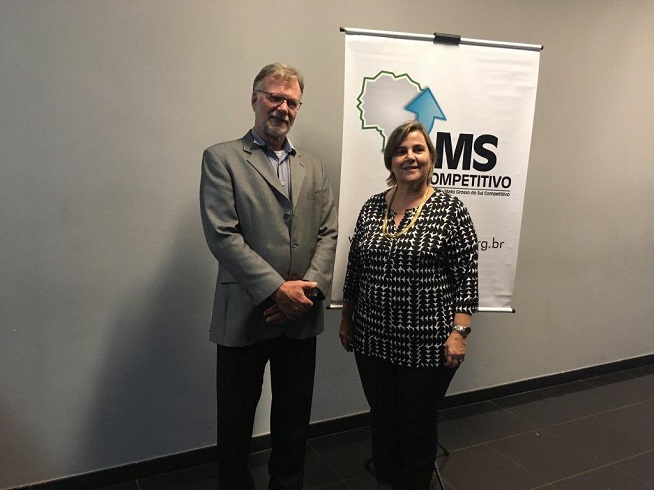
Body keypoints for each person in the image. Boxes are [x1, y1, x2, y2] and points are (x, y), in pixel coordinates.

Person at [200, 63, 338, 490]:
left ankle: (287, 484)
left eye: (291, 101)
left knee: (295, 417)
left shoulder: (314, 166)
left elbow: (328, 233)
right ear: (255, 98)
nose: (283, 107)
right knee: (236, 419)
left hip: (301, 315)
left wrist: (306, 293)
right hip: (246, 311)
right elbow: (223, 235)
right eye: (274, 97)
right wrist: (278, 291)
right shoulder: (222, 158)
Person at [338, 121, 478, 489]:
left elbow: (466, 278)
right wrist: (347, 319)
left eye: (418, 149)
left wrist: (459, 332)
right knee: (383, 418)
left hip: (427, 343)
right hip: (372, 339)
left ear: (431, 157)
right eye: (401, 151)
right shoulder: (372, 207)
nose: (409, 157)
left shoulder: (450, 210)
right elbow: (355, 269)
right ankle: (386, 481)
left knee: (416, 422)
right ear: (390, 160)